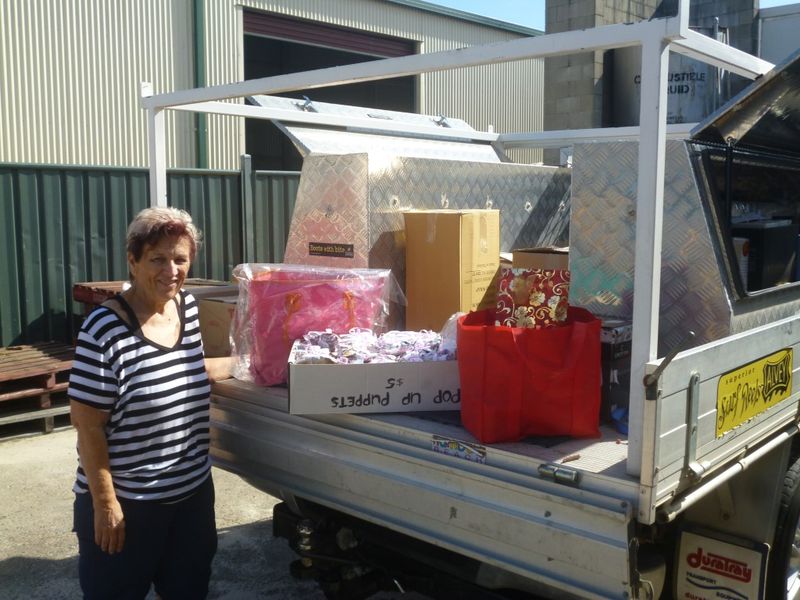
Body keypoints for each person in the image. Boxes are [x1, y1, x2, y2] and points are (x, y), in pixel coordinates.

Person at [69, 207, 231, 599]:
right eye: (157, 259)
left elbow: (191, 369)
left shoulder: (188, 308)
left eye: (180, 259)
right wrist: (105, 504)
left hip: (192, 500)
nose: (171, 271)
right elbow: (88, 425)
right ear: (133, 260)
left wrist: (264, 363)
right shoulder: (104, 329)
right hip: (129, 505)